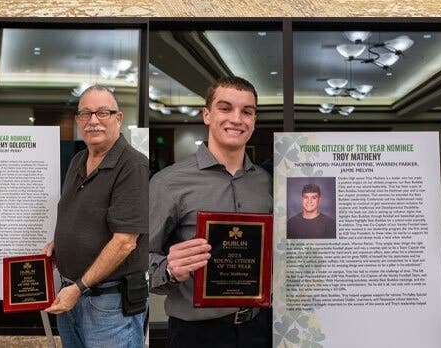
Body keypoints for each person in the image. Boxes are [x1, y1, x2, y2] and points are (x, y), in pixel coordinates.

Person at [149, 76, 272, 347]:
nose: (237, 119)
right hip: (196, 334)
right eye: (225, 108)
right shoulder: (168, 183)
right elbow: (136, 262)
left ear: (254, 120)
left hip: (258, 329)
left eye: (247, 111)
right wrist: (168, 269)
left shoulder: (267, 183)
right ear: (207, 114)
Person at [43, 86, 148, 348]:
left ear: (118, 118)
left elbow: (125, 241)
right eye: (85, 114)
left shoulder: (132, 165)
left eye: (103, 112)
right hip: (72, 295)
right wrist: (60, 243)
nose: (93, 121)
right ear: (78, 120)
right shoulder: (79, 160)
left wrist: (78, 287)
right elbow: (80, 215)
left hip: (109, 304)